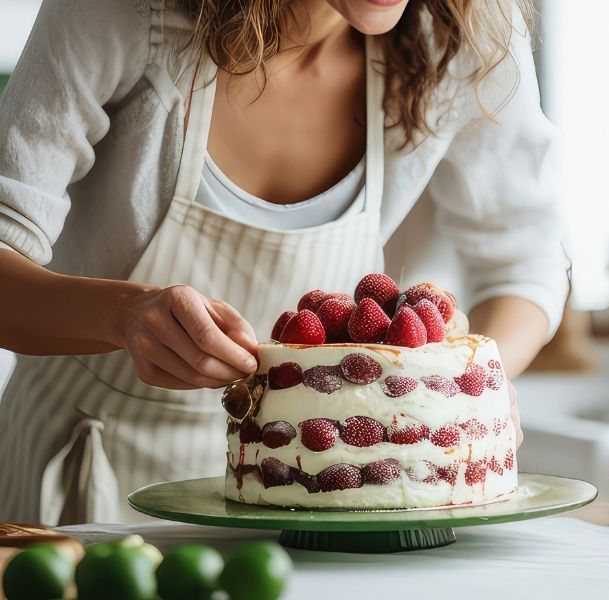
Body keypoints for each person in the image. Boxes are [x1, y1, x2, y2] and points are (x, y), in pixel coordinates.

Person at [0, 0, 569, 525]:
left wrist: (461, 393)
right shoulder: (125, 14)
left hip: (319, 515)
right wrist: (122, 316)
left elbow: (526, 264)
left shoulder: (465, 28)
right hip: (88, 487)